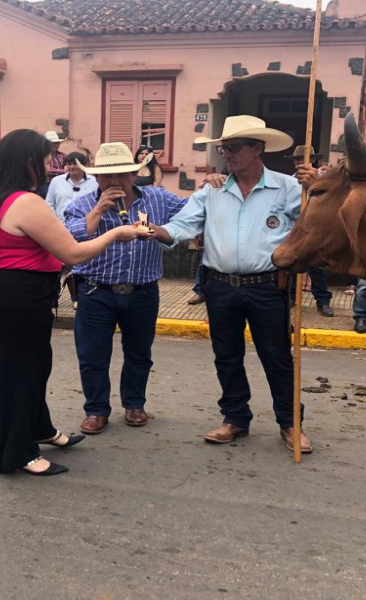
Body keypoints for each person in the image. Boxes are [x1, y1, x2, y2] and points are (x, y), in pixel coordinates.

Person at [0, 129, 150, 476]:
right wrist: (117, 233)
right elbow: (72, 253)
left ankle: (40, 428)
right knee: (19, 372)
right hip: (16, 294)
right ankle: (18, 452)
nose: (53, 167)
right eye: (48, 160)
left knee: (36, 364)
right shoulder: (25, 201)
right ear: (29, 162)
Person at [152, 115, 312, 454]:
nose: (226, 154)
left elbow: (315, 223)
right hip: (220, 285)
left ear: (258, 149)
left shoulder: (288, 188)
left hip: (268, 286)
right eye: (224, 148)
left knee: (277, 357)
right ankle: (235, 417)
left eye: (234, 147)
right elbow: (181, 226)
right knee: (226, 356)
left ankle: (290, 424)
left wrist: (315, 189)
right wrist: (152, 232)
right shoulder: (212, 191)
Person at [64, 143, 187, 434]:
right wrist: (97, 210)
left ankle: (134, 404)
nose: (115, 181)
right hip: (95, 291)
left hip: (143, 290)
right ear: (96, 178)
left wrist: (213, 186)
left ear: (134, 174)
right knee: (92, 354)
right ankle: (96, 410)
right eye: (107, 176)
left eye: (122, 174)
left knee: (139, 353)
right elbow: (71, 242)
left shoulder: (157, 198)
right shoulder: (81, 205)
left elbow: (191, 214)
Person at [285, 145, 334, 317]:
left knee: (317, 269)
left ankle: (323, 301)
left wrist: (313, 186)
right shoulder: (288, 182)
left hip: (316, 232)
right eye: (296, 160)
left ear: (312, 160)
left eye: (303, 159)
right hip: (294, 231)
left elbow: (330, 203)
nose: (299, 163)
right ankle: (291, 297)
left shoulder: (324, 179)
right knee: (290, 266)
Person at [45, 151, 98, 221]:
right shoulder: (56, 181)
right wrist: (55, 220)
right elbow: (49, 204)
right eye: (69, 164)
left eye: (75, 164)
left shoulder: (94, 182)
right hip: (61, 225)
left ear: (84, 165)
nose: (72, 167)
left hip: (86, 225)